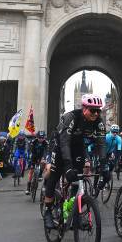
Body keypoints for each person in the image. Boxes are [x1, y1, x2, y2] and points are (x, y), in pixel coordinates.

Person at [43, 94, 107, 229]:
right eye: (92, 110)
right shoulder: (71, 117)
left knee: (77, 180)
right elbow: (64, 142)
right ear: (84, 108)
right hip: (60, 144)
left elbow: (101, 144)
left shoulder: (99, 122)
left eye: (98, 110)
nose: (95, 113)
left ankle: (73, 213)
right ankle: (48, 211)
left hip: (77, 145)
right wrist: (67, 166)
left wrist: (104, 166)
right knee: (54, 175)